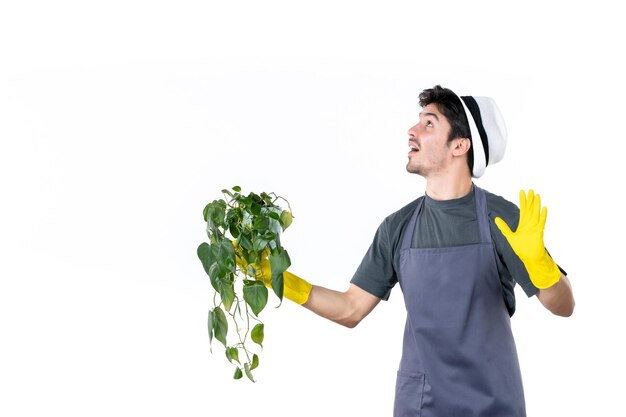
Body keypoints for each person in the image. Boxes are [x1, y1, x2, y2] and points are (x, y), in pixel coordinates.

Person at [240, 85, 575, 416]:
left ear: (460, 144)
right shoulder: (398, 227)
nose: (412, 131)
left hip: (492, 403)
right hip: (422, 405)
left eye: (429, 123)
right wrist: (282, 280)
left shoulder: (502, 221)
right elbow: (351, 308)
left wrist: (541, 267)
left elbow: (563, 306)